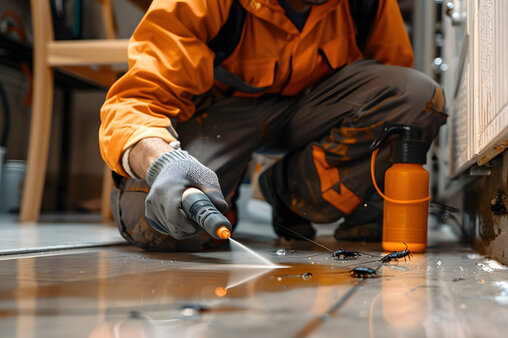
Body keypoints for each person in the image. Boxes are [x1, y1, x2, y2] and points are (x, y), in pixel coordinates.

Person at [99, 0, 447, 251]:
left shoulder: (366, 4)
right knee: (163, 226)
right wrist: (163, 163)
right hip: (220, 117)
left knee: (415, 97)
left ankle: (290, 192)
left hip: (313, 112)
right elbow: (135, 101)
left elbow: (392, 98)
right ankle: (223, 194)